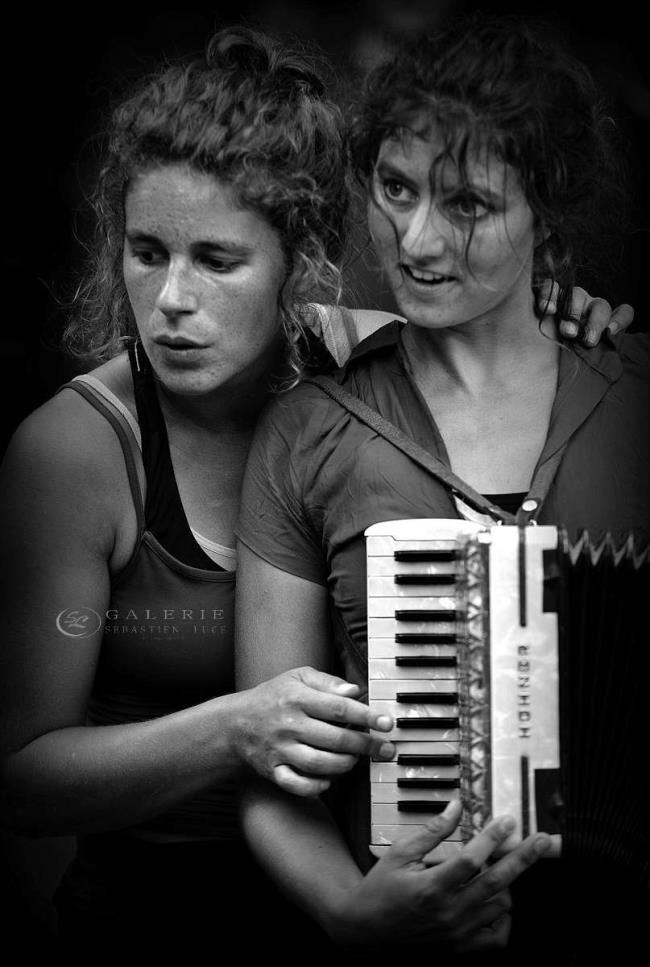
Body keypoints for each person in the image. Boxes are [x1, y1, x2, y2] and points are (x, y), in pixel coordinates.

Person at [0, 19, 631, 961]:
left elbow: (481, 329)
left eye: (217, 260)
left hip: (339, 892)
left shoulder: (351, 356)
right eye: (146, 251)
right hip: (156, 909)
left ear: (299, 263)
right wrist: (238, 726)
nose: (172, 298)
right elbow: (17, 776)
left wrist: (566, 309)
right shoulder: (73, 451)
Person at [235, 13, 650, 964]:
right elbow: (273, 772)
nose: (413, 239)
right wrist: (348, 912)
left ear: (546, 207)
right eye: (394, 188)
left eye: (466, 204)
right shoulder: (307, 433)